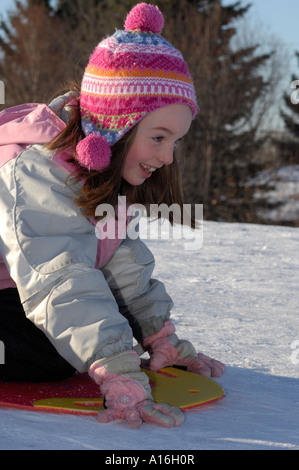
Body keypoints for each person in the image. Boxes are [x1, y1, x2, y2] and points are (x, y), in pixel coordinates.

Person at [0, 3, 224, 429]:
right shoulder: (35, 172)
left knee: (91, 334)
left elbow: (119, 266)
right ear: (115, 126)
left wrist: (160, 337)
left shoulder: (104, 179)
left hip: (18, 293)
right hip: (18, 289)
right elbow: (58, 276)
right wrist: (115, 367)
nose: (167, 156)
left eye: (175, 141)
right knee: (49, 354)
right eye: (159, 137)